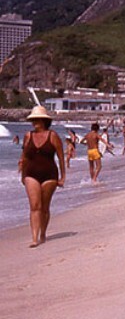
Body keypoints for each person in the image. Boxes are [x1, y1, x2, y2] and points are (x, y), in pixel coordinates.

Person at [18, 105, 65, 247]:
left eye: (37, 119)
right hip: (31, 174)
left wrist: (63, 177)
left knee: (44, 207)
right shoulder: (28, 136)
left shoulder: (53, 136)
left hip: (50, 174)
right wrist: (22, 173)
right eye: (33, 120)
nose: (34, 122)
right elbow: (24, 156)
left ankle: (43, 233)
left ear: (44, 121)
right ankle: (34, 238)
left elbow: (61, 157)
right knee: (34, 206)